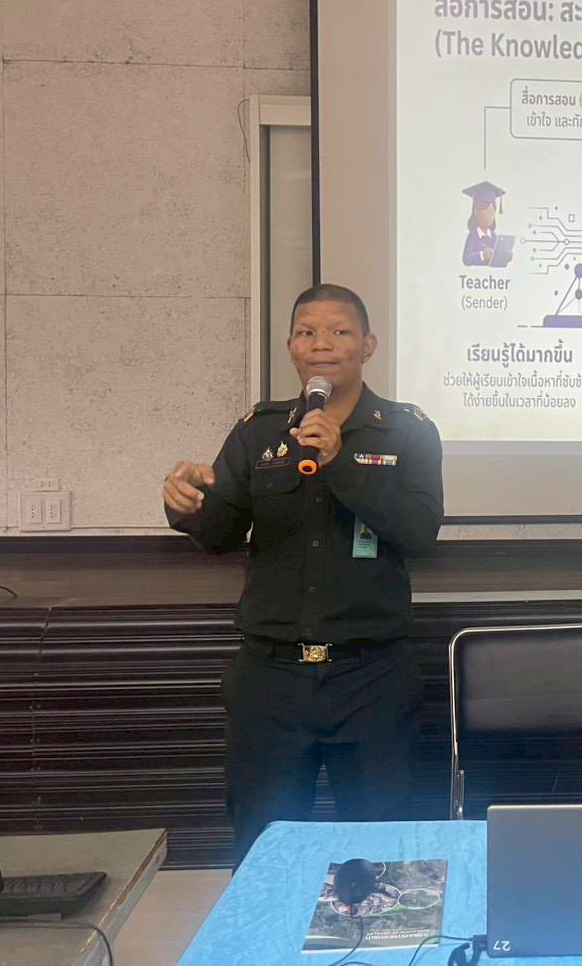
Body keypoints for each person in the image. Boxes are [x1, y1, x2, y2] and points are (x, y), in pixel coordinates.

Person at [162, 283, 443, 865]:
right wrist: (188, 506)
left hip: (370, 677)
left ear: (368, 345)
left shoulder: (408, 431)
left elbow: (419, 533)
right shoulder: (259, 431)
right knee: (263, 850)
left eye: (339, 332)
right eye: (307, 332)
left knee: (380, 854)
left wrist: (340, 464)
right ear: (291, 346)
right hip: (271, 680)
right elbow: (219, 534)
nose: (322, 344)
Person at [461, 180, 506, 266]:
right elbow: (466, 259)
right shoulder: (473, 235)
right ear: (475, 214)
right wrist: (481, 255)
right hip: (474, 273)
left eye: (491, 213)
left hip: (492, 274)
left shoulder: (494, 236)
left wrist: (505, 257)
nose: (488, 217)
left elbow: (497, 257)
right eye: (483, 214)